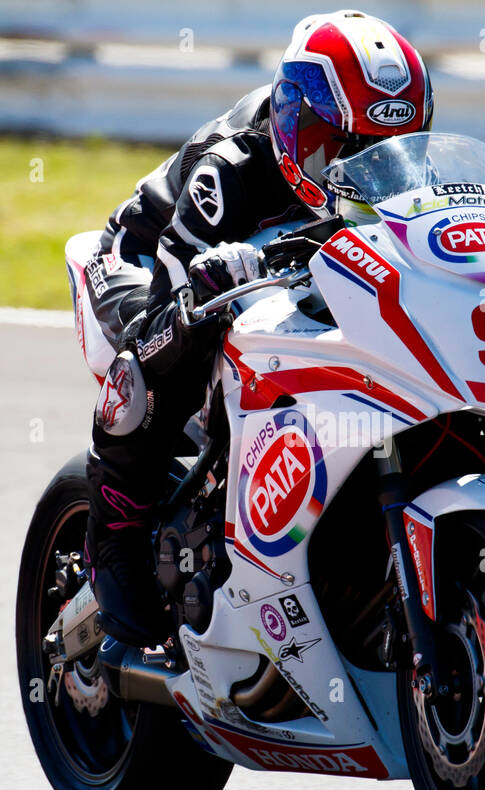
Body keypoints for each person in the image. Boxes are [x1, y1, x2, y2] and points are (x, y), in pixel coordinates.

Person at [68, 9, 433, 665]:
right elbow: (175, 282)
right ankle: (114, 533)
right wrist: (219, 279)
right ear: (299, 121)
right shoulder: (231, 170)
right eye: (344, 148)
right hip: (142, 263)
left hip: (272, 265)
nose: (364, 167)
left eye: (390, 147)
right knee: (179, 335)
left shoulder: (383, 176)